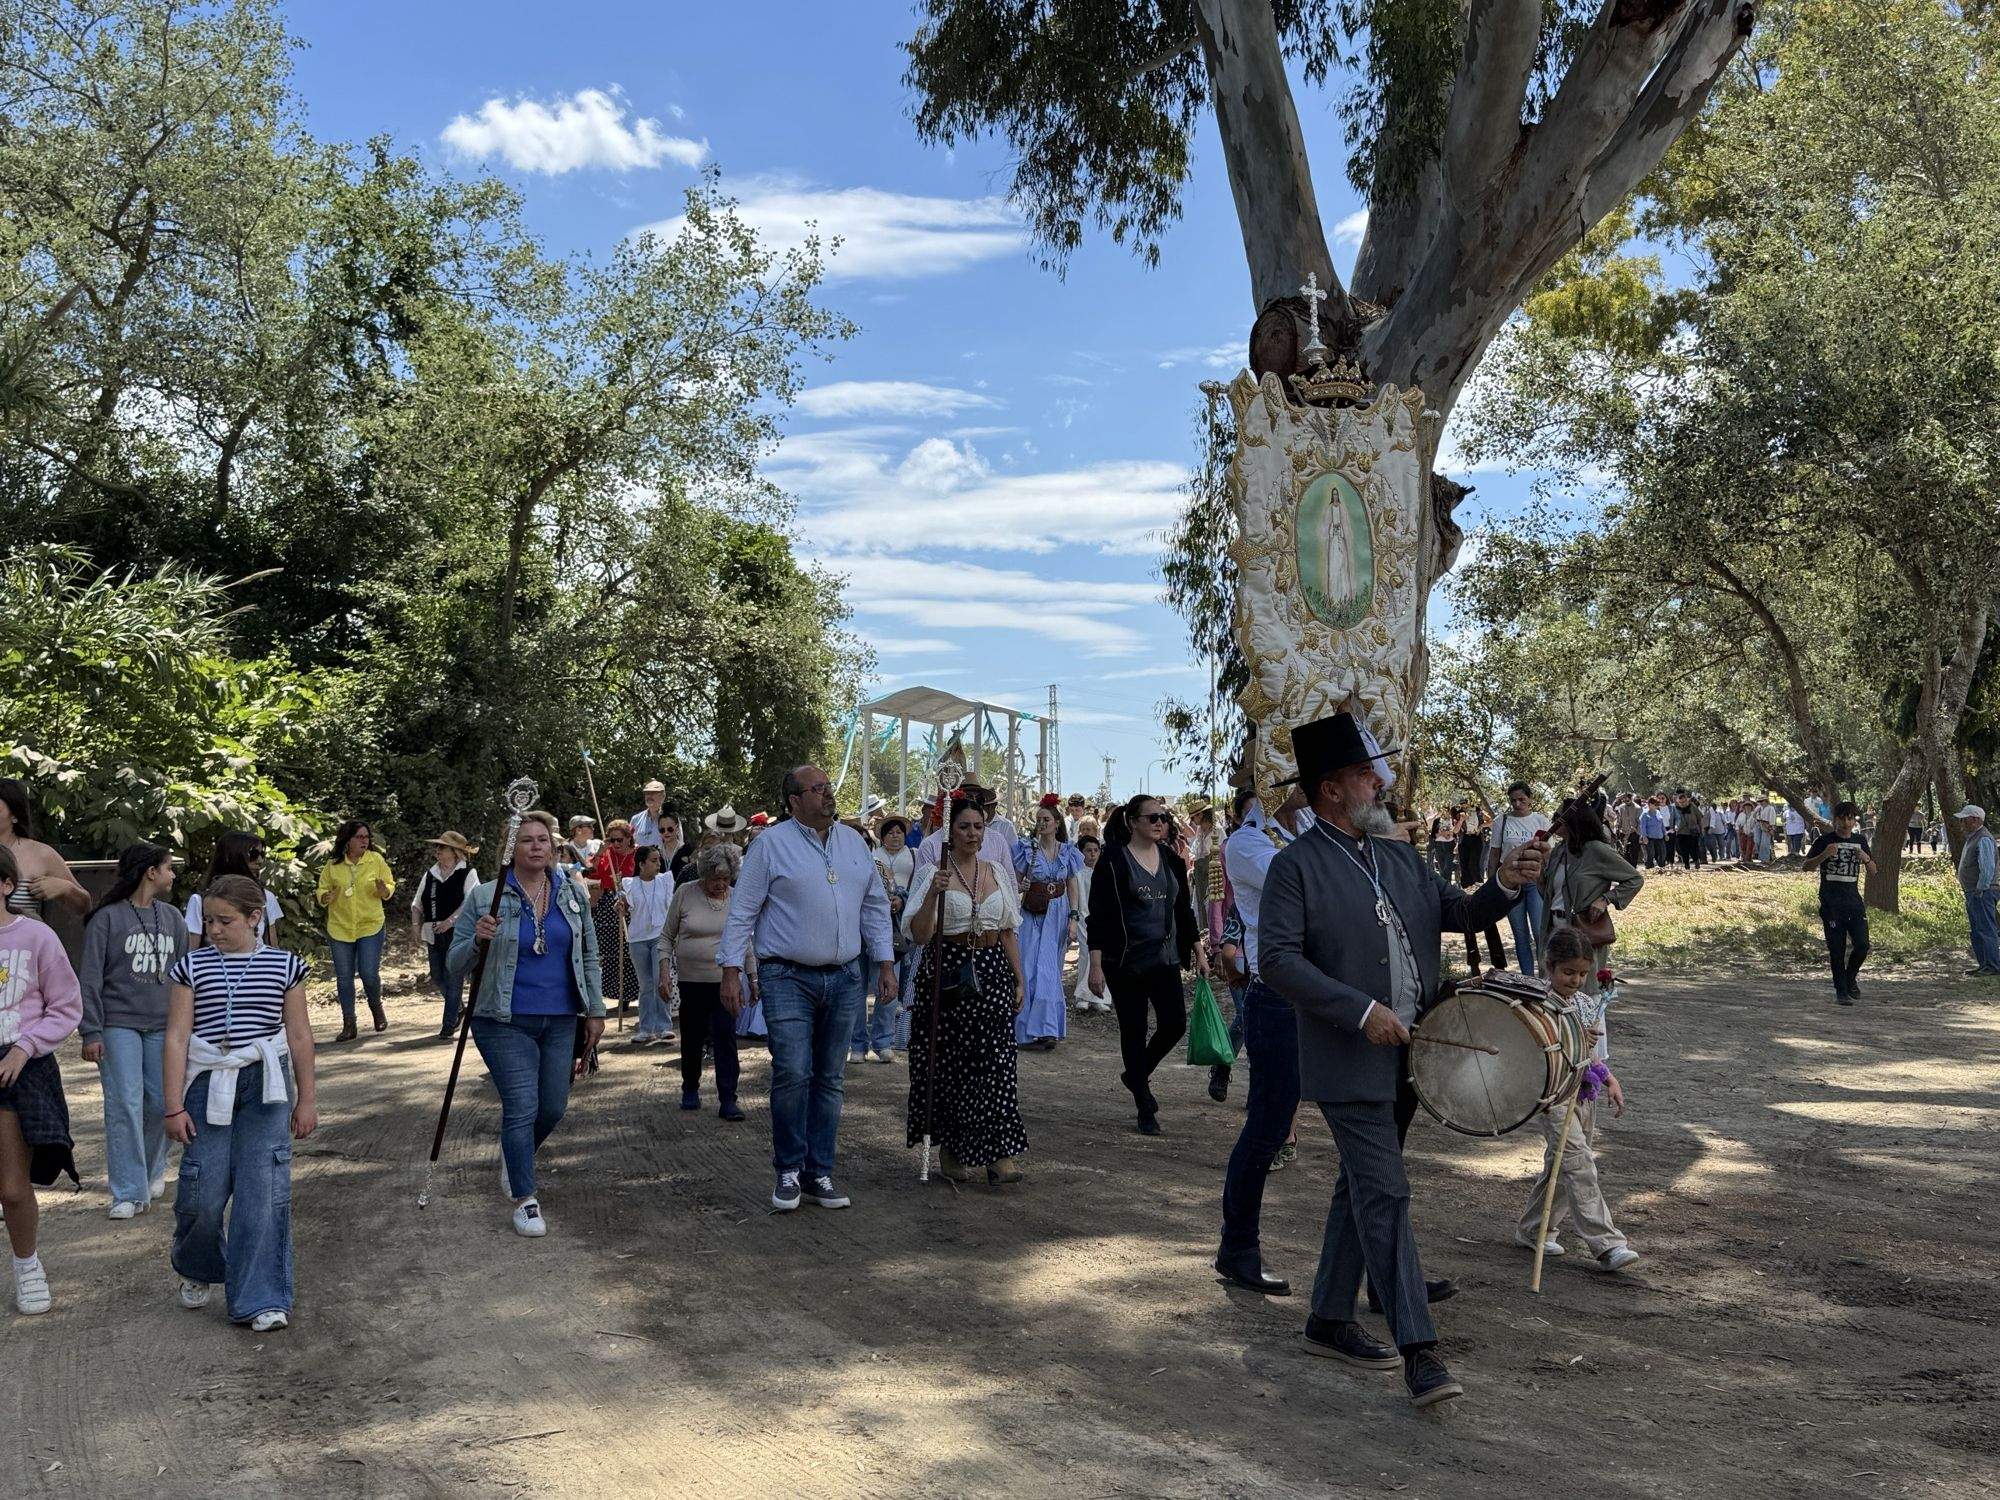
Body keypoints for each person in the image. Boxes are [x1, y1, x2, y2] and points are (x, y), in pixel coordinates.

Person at [1259, 711, 1544, 1408]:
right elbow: (1276, 962)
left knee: (1359, 1187)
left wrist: (1505, 882)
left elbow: (1465, 913)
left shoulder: (1398, 855)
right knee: (1385, 1192)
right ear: (1330, 789)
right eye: (1364, 773)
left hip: (1415, 1056)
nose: (1379, 782)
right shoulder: (1295, 867)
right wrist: (1362, 1011)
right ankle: (1421, 1351)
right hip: (1349, 1057)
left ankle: (1328, 1318)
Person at [718, 765, 896, 1212]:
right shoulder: (769, 846)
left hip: (845, 977)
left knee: (830, 1078)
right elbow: (742, 910)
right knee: (794, 1072)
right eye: (817, 789)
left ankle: (820, 1172)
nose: (827, 794)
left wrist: (886, 962)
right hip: (785, 976)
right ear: (794, 801)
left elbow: (874, 907)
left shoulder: (855, 843)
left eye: (828, 787)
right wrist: (731, 969)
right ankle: (789, 1170)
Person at [163, 876, 316, 1328]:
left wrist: (306, 1099)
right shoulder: (190, 967)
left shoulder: (286, 965)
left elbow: (300, 1035)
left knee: (262, 1192)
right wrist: (173, 1105)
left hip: (265, 1084)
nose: (213, 929)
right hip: (207, 1082)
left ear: (255, 918)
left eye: (224, 921)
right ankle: (198, 1265)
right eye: (208, 920)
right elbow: (176, 1037)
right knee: (203, 1190)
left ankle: (261, 1297)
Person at [450, 811, 606, 1237]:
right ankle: (525, 1198)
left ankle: (515, 1155)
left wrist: (595, 1010)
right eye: (526, 840)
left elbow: (589, 955)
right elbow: (454, 962)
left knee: (552, 1106)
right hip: (501, 1018)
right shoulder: (487, 895)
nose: (537, 846)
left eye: (543, 840)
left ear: (553, 847)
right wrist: (477, 940)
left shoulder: (572, 893)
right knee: (522, 1104)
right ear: (511, 849)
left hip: (560, 1018)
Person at [1214, 783, 1311, 1294]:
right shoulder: (1248, 842)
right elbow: (1306, 881)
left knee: (1365, 1127)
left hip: (1326, 994)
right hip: (1276, 996)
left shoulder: (1311, 825)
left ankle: (1384, 1267)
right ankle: (1238, 1247)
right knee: (1269, 1126)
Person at [904, 794, 1029, 1185]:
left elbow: (1008, 929)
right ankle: (953, 1149)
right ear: (949, 832)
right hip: (948, 971)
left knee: (996, 1063)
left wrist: (1019, 978)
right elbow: (919, 935)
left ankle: (998, 1153)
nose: (972, 834)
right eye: (964, 827)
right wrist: (932, 895)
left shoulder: (996, 871)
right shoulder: (933, 873)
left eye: (978, 827)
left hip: (993, 971)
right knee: (952, 1065)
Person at [1514, 927, 1638, 1272]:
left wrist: (1610, 1080)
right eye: (1568, 972)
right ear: (1549, 966)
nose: (1576, 980)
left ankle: (1533, 1229)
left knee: (1561, 1165)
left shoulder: (1585, 1003)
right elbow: (1528, 1048)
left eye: (1582, 974)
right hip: (1553, 1095)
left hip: (1584, 1093)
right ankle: (1608, 1244)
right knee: (1579, 1164)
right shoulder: (1535, 1003)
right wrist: (1567, 1036)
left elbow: (1592, 1055)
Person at [1086, 793, 1206, 1135]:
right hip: (1125, 962)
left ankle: (1135, 1075)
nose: (1159, 823)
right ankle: (1143, 1101)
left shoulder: (1171, 859)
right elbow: (1099, 917)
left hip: (1164, 957)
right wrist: (1095, 966)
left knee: (1174, 1024)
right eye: (1152, 818)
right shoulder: (1113, 861)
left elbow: (1183, 911)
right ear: (1133, 822)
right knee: (1134, 1030)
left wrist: (1197, 950)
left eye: (1163, 817)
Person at [79, 843, 186, 1218]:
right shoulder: (106, 919)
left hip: (163, 1026)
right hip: (117, 1024)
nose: (173, 874)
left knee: (161, 1103)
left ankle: (153, 1172)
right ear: (150, 872)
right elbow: (90, 978)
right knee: (125, 1103)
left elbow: (183, 977)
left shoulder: (172, 917)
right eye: (168, 867)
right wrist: (90, 1031)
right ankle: (127, 1191)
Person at [0, 843, 83, 1315]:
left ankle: (27, 1263)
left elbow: (66, 1007)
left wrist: (23, 1047)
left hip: (20, 1067)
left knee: (12, 1187)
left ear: (8, 884)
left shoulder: (36, 937)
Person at [665, 842, 748, 1118]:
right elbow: (666, 937)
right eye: (715, 879)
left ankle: (728, 1098)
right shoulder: (685, 893)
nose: (721, 884)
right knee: (692, 1037)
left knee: (726, 1038)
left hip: (726, 981)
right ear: (704, 875)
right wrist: (664, 971)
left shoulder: (736, 898)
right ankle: (690, 1087)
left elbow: (745, 941)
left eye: (726, 879)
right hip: (691, 981)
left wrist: (753, 977)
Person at [1540, 801, 1645, 984]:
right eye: (1554, 817)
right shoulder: (1559, 851)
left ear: (1574, 819)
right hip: (1554, 929)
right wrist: (1537, 874)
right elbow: (1550, 895)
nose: (1554, 821)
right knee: (1554, 990)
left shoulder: (1596, 850)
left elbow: (1635, 879)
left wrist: (1606, 899)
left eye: (1559, 817)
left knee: (1585, 989)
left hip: (1582, 930)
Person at [1012, 795, 1085, 1052]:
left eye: (1046, 819)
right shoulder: (1027, 848)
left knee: (1051, 969)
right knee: (1029, 965)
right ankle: (1024, 1030)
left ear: (1056, 823)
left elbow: (1072, 884)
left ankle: (1048, 1028)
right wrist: (1020, 886)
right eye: (1039, 819)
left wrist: (1074, 917)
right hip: (1032, 911)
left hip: (1058, 911)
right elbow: (1016, 879)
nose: (1042, 823)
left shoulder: (1068, 851)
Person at [316, 820, 393, 1040]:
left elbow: (390, 884)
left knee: (368, 973)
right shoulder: (333, 865)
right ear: (347, 840)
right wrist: (324, 896)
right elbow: (322, 887)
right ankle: (349, 1024)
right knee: (344, 978)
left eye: (366, 837)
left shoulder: (376, 860)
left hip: (370, 925)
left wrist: (384, 890)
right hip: (340, 928)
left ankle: (376, 1007)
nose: (364, 841)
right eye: (359, 837)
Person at [1803, 802, 1875, 1004]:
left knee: (1862, 945)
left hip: (1854, 903)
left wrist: (1866, 860)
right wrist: (1825, 854)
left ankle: (1850, 978)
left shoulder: (1860, 840)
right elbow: (1806, 867)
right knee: (1837, 949)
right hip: (1831, 904)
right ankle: (1841, 991)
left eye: (1850, 818)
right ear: (1835, 819)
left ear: (1854, 820)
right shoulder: (1824, 841)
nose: (1846, 822)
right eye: (1842, 818)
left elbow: (1874, 871)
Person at [410, 832, 479, 1038]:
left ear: (456, 853)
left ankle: (448, 1024)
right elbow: (417, 903)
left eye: (443, 848)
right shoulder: (430, 874)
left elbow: (470, 902)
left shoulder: (468, 873)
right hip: (434, 933)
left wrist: (450, 921)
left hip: (459, 933)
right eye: (438, 847)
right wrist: (415, 925)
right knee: (438, 976)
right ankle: (458, 1008)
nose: (438, 851)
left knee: (453, 975)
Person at [861, 814, 918, 1063]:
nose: (895, 836)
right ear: (882, 836)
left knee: (890, 986)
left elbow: (917, 887)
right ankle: (858, 1042)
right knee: (858, 989)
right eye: (890, 832)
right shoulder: (871, 857)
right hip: (867, 923)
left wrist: (901, 900)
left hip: (897, 927)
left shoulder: (914, 855)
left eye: (899, 832)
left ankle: (884, 1041)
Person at [0, 778, 89, 919]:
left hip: (24, 940)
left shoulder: (41, 854)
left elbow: (83, 906)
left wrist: (65, 888)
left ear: (15, 815)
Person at [1490, 783, 1551, 976]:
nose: (1517, 804)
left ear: (1530, 798)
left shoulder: (1541, 821)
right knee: (1520, 934)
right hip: (1511, 883)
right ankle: (1527, 978)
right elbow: (1494, 853)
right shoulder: (1502, 821)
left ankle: (1544, 976)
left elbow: (1550, 854)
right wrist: (1492, 883)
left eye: (1521, 799)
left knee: (1540, 932)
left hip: (1535, 881)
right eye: (1513, 800)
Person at [621, 845, 676, 1045]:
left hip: (660, 937)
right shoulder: (630, 884)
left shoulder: (665, 880)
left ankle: (664, 1026)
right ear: (641, 864)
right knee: (645, 985)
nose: (658, 864)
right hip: (637, 938)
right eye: (653, 860)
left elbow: (671, 906)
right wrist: (621, 906)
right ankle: (645, 1028)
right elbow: (626, 907)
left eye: (658, 860)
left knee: (660, 980)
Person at [185, 831, 282, 942]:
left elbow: (272, 944)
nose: (259, 861)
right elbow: (192, 951)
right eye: (253, 854)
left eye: (262, 855)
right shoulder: (200, 901)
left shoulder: (266, 898)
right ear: (233, 856)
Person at [586, 821, 639, 1017]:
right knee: (611, 951)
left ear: (628, 838)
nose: (616, 843)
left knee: (628, 949)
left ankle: (630, 993)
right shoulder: (606, 855)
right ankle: (618, 995)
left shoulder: (636, 854)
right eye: (613, 839)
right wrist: (601, 850)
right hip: (608, 903)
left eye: (620, 839)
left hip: (630, 901)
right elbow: (590, 872)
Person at [1459, 802, 1507, 975]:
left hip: (1481, 886)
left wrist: (1481, 821)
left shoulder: (1481, 825)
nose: (1468, 806)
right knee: (1468, 920)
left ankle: (1499, 963)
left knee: (1488, 921)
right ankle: (1474, 966)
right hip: (1467, 886)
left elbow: (1492, 821)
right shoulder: (1459, 816)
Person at [1955, 804, 1999, 976]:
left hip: (1982, 892)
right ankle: (1985, 965)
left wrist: (1980, 889)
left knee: (1985, 929)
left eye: (1964, 820)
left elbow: (1987, 867)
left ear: (1974, 820)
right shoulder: (1974, 837)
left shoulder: (1983, 838)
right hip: (1976, 892)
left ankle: (1992, 966)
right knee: (1978, 930)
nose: (1962, 823)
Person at [1070, 835, 1110, 1013]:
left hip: (1101, 920)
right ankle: (1083, 995)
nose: (1093, 854)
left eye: (1096, 850)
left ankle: (1099, 996)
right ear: (1081, 852)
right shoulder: (1078, 874)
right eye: (1088, 850)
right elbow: (1077, 898)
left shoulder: (1105, 873)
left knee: (1100, 958)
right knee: (1086, 956)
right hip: (1083, 919)